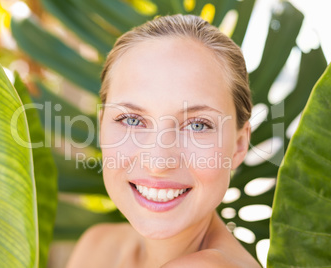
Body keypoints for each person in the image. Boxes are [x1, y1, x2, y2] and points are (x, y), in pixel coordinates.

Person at [66, 14, 261, 268]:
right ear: (102, 125)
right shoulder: (97, 245)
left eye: (197, 125)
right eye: (132, 120)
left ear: (238, 145)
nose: (158, 162)